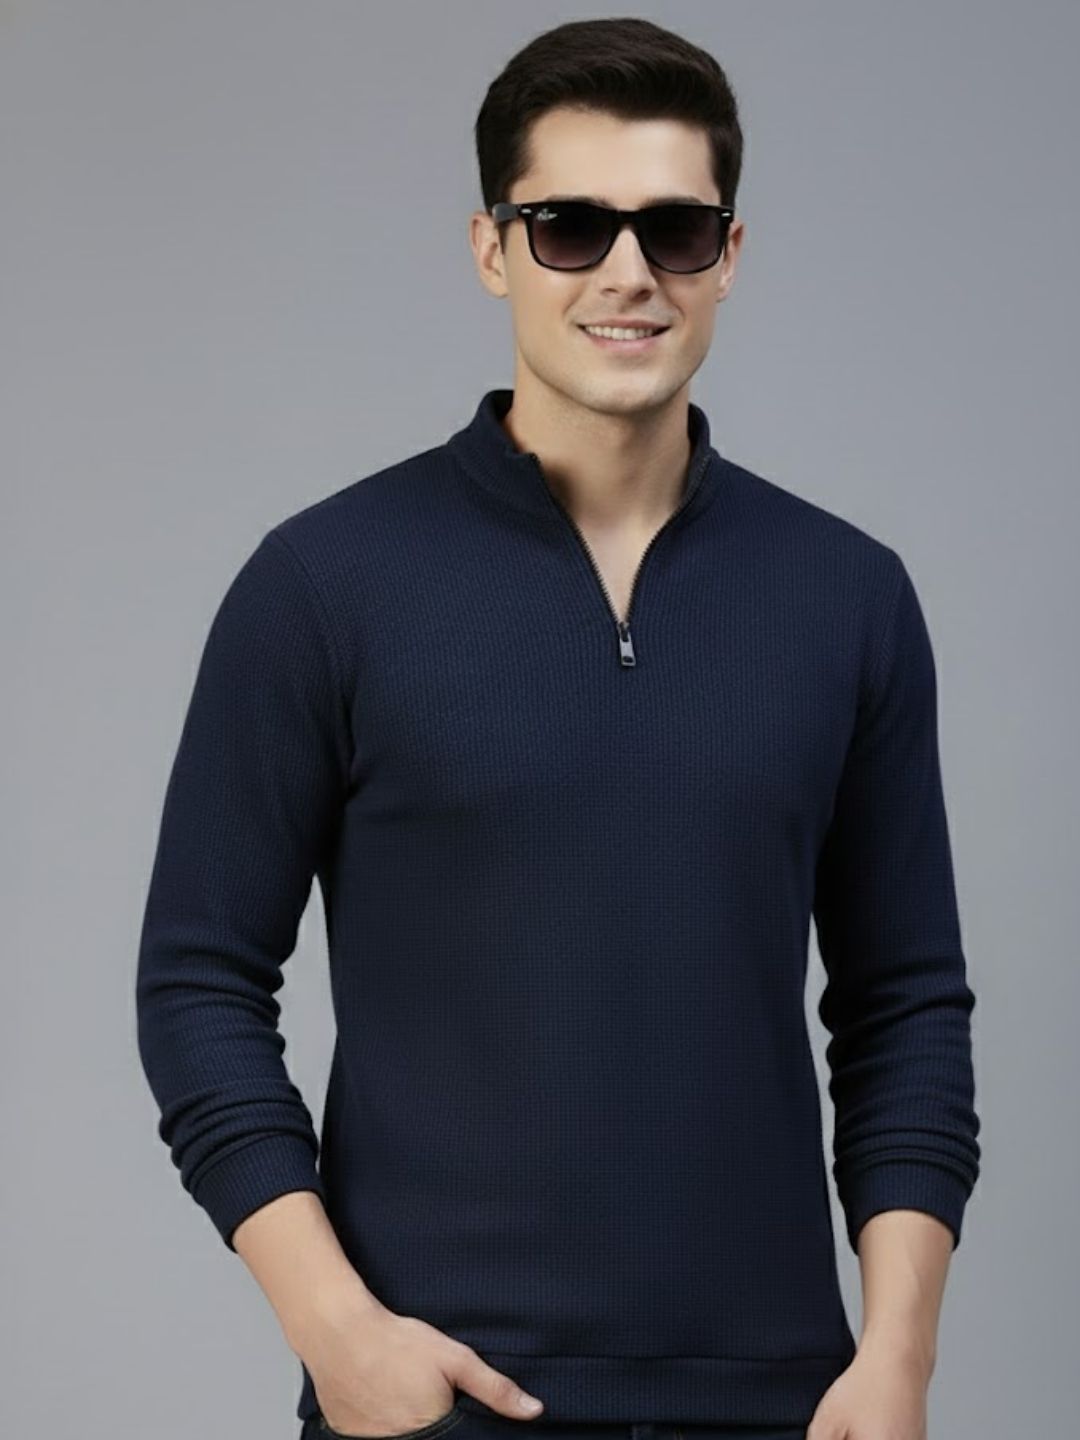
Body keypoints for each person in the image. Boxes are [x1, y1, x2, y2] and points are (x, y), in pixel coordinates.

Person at [135, 17, 981, 1440]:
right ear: (492, 250)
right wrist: (338, 1335)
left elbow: (904, 1006)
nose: (628, 273)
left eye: (677, 230)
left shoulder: (849, 596)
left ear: (730, 254)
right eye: (572, 227)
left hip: (784, 1405)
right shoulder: (325, 584)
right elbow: (197, 984)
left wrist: (900, 1356)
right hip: (435, 1406)